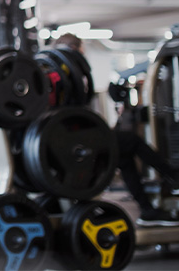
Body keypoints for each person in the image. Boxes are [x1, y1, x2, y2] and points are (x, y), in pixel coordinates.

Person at [60, 34, 179, 226]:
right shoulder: (65, 75)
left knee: (124, 157)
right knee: (131, 141)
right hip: (76, 143)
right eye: (82, 49)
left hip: (78, 137)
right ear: (75, 49)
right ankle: (172, 176)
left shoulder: (65, 76)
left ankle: (147, 210)